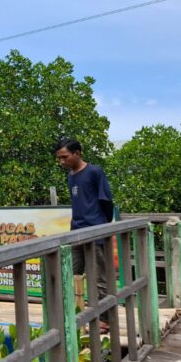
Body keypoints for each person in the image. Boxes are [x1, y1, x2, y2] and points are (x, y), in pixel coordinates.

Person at [54, 138, 114, 332]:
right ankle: (74, 313)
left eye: (65, 157)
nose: (62, 161)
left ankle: (104, 319)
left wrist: (102, 227)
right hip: (76, 232)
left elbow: (106, 202)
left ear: (77, 153)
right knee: (70, 273)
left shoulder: (94, 172)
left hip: (95, 232)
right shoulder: (71, 176)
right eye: (59, 158)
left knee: (98, 278)